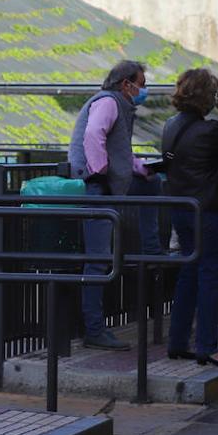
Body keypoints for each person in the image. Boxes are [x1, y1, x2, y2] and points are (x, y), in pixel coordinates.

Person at [67, 60, 164, 351]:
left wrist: (141, 169)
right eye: (142, 85)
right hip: (97, 187)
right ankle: (94, 331)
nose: (143, 91)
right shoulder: (109, 103)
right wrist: (100, 171)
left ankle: (152, 250)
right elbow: (93, 135)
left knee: (151, 184)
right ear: (127, 84)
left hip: (106, 183)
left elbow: (119, 150)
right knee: (98, 260)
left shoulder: (120, 106)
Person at [161, 68, 218, 366]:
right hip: (207, 212)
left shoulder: (170, 126)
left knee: (189, 273)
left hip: (181, 210)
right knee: (211, 275)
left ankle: (177, 342)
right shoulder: (210, 131)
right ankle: (208, 345)